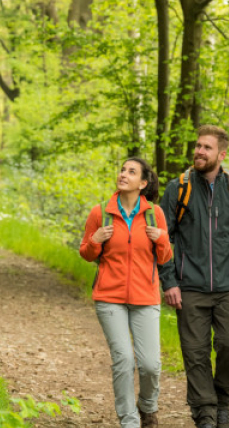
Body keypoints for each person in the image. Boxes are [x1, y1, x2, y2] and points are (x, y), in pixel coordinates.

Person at [159, 125, 229, 428]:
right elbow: (162, 240)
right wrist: (169, 282)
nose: (199, 152)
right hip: (188, 286)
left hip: (228, 286)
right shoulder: (177, 188)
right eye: (197, 146)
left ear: (222, 153)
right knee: (195, 354)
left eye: (206, 147)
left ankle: (223, 402)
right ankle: (205, 414)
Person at [80, 157, 174, 428]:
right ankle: (129, 421)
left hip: (146, 298)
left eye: (131, 172)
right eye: (122, 170)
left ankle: (147, 407)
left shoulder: (154, 214)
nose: (123, 174)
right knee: (123, 360)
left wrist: (163, 239)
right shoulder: (101, 212)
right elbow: (86, 253)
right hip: (109, 297)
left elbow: (165, 257)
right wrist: (95, 241)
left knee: (149, 365)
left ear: (143, 183)